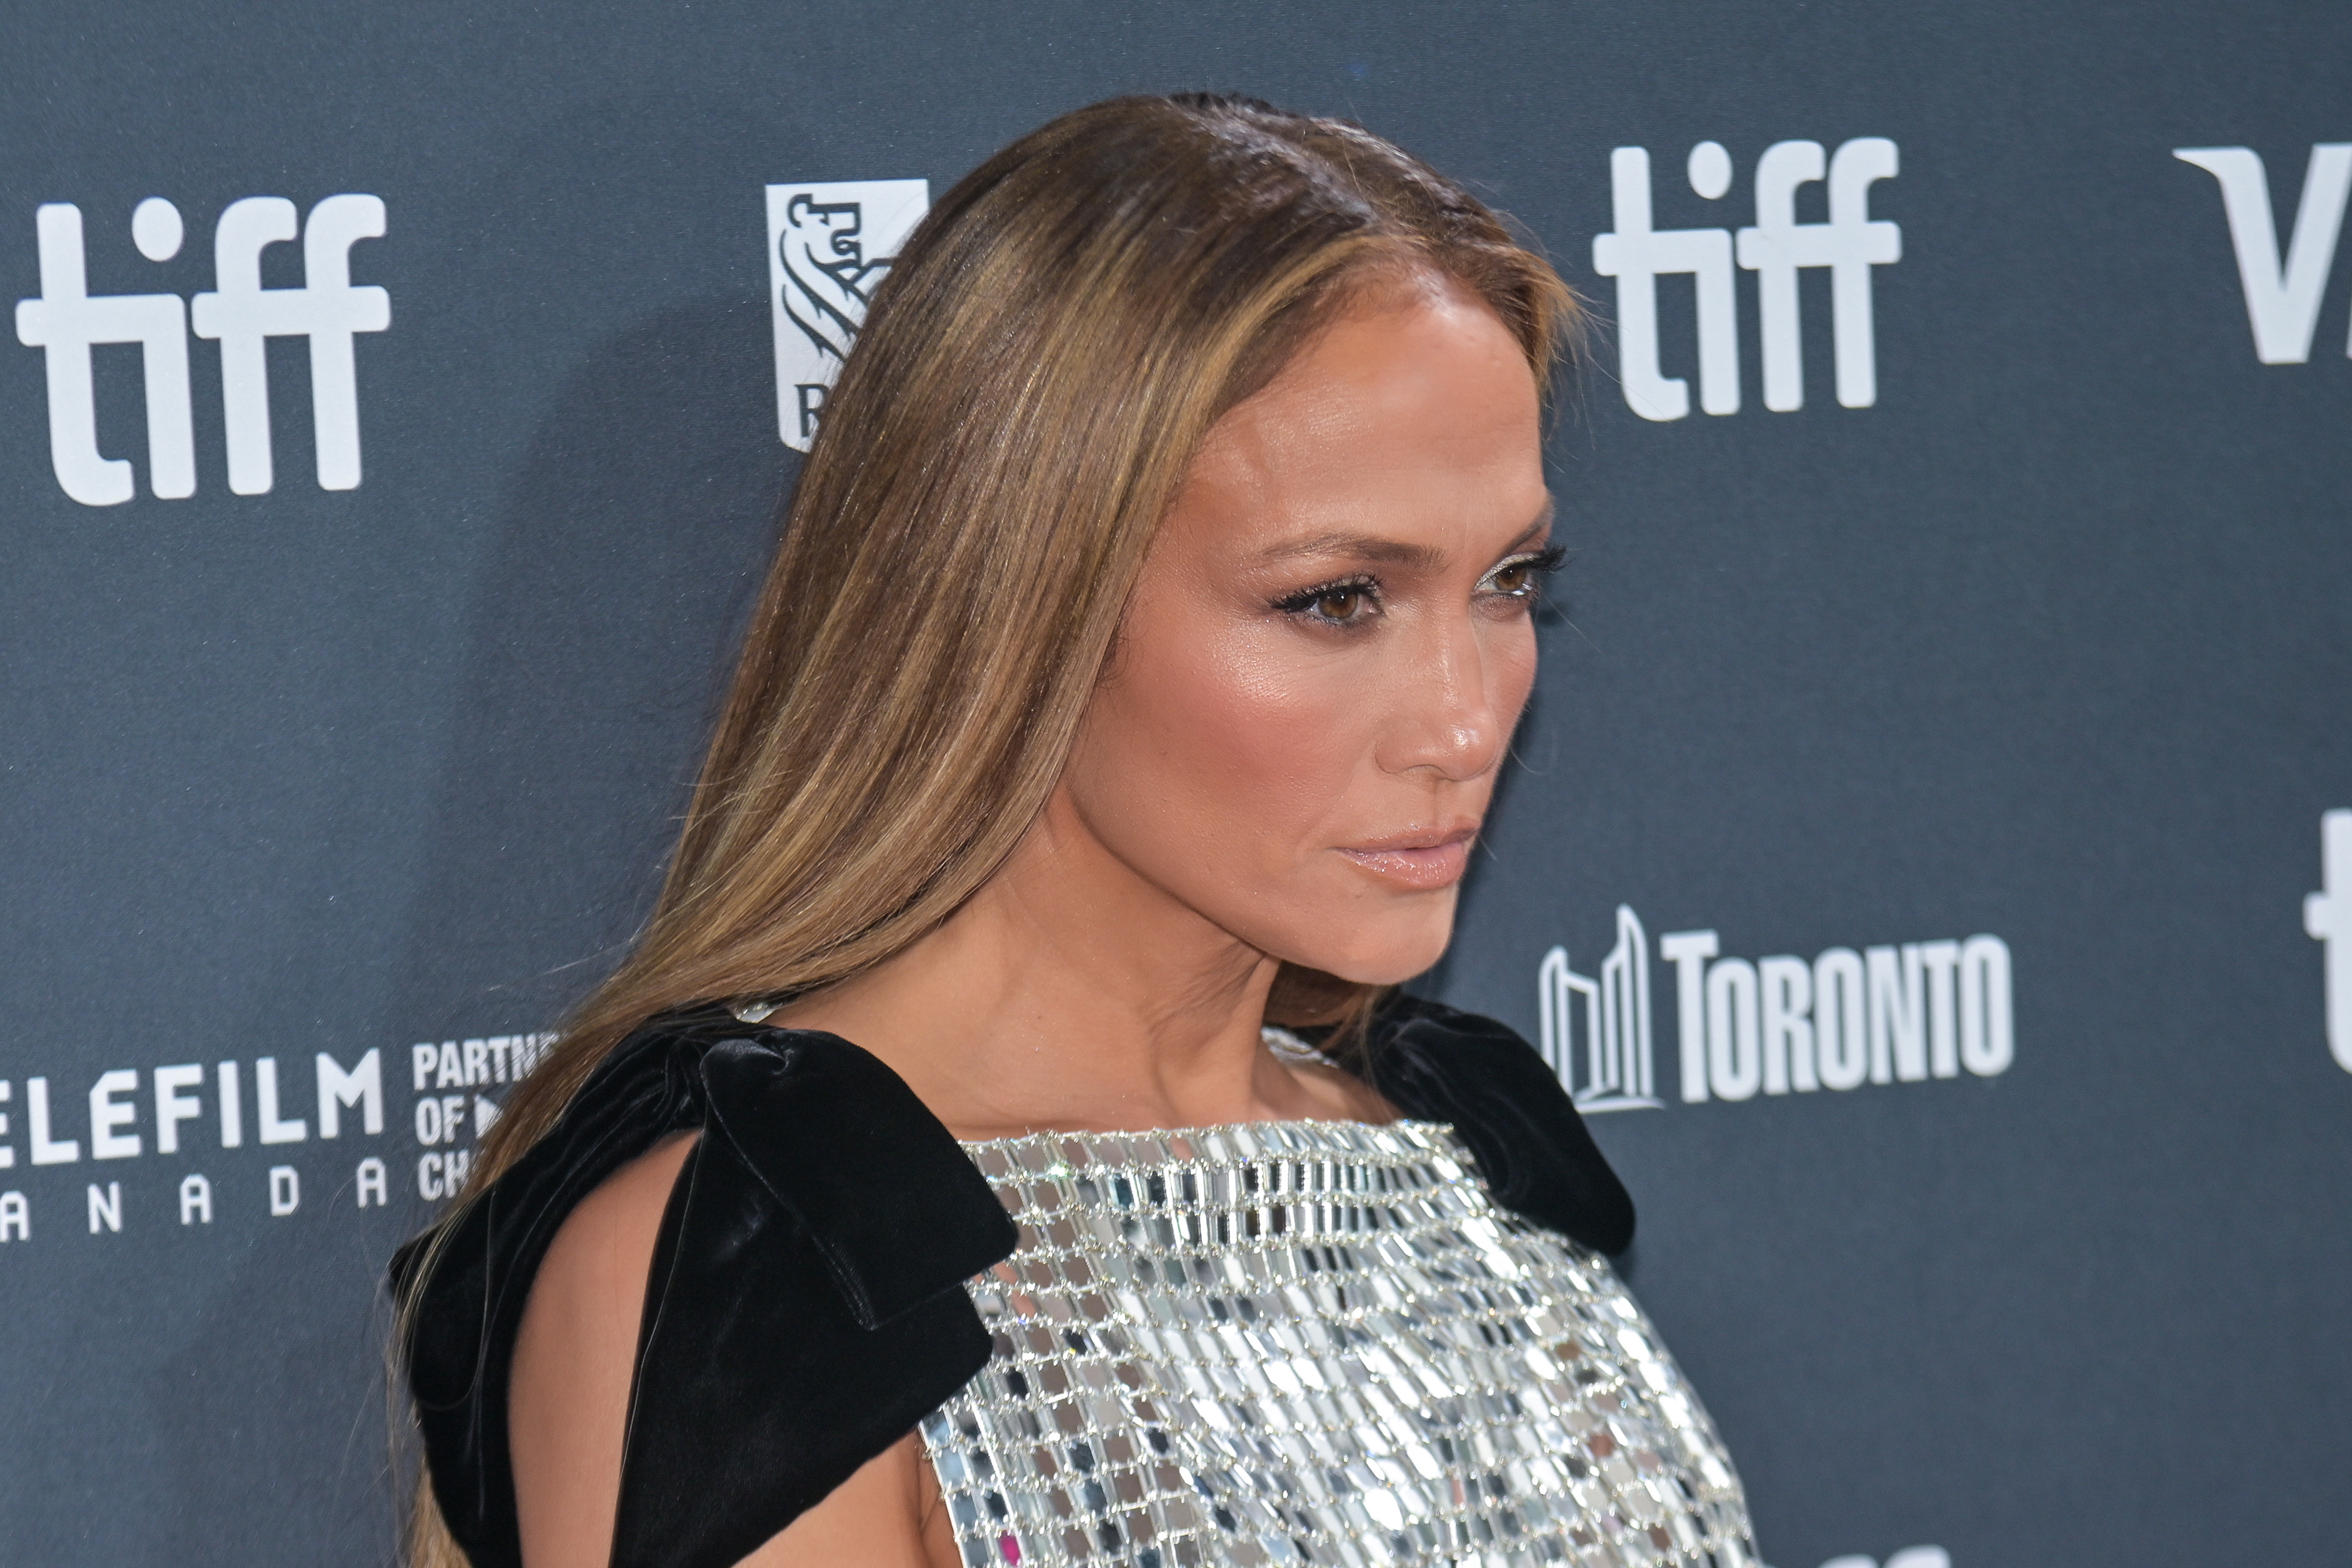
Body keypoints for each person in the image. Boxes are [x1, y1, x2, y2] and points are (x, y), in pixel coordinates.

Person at [392, 93, 1761, 1568]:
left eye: (1508, 583)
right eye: (1334, 600)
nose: (1464, 720)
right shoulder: (782, 1256)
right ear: (1017, 604)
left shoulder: (1471, 1160)